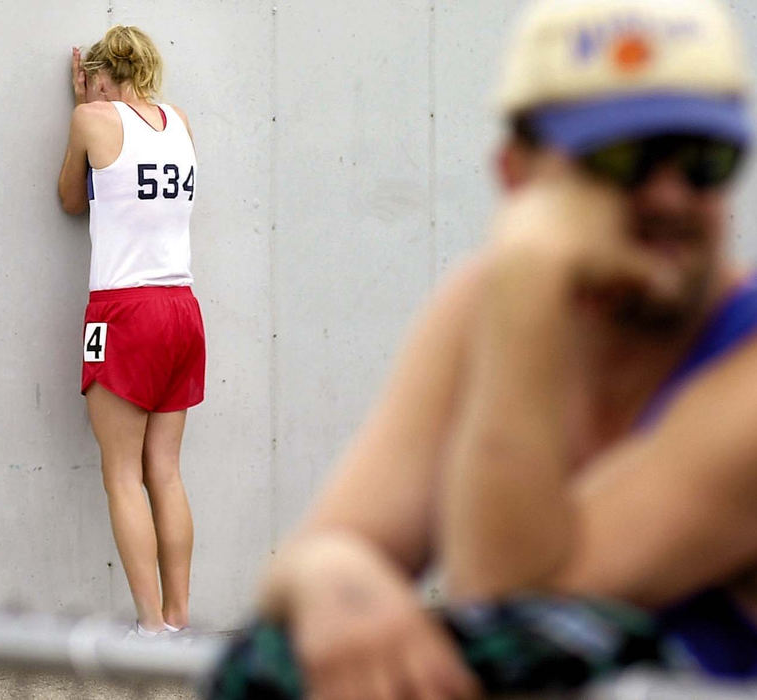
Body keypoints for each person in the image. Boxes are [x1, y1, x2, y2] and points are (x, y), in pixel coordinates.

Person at [259, 0, 757, 697]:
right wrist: (336, 582)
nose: (671, 196)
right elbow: (324, 550)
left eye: (706, 161)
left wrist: (525, 275)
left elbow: (513, 611)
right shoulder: (481, 304)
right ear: (517, 172)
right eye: (624, 159)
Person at [57, 25, 205, 637]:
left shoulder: (92, 119)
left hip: (123, 311)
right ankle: (178, 616)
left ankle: (150, 628)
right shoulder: (179, 119)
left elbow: (70, 198)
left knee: (121, 472)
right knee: (164, 471)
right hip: (182, 308)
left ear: (98, 73)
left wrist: (85, 106)